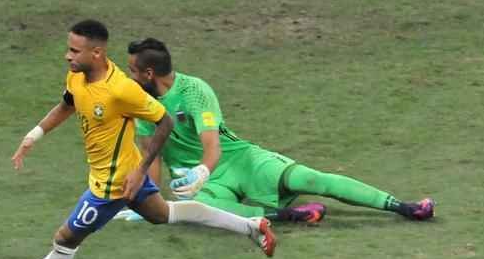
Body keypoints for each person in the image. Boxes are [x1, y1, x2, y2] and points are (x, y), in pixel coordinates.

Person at [0, 20, 277, 259]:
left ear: (96, 53)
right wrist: (34, 135)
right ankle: (251, 227)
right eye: (68, 48)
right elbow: (67, 105)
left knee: (65, 238)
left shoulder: (122, 90)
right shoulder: (76, 76)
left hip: (113, 185)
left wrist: (138, 172)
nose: (67, 55)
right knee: (163, 214)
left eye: (74, 50)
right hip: (121, 172)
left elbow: (164, 121)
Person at [123, 37, 435, 225]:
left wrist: (201, 172)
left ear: (149, 73)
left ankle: (403, 207)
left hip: (240, 160)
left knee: (311, 179)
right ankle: (290, 216)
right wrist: (149, 201)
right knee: (200, 209)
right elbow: (151, 155)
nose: (128, 76)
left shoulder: (193, 91)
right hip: (207, 184)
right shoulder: (139, 102)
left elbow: (213, 147)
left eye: (132, 71)